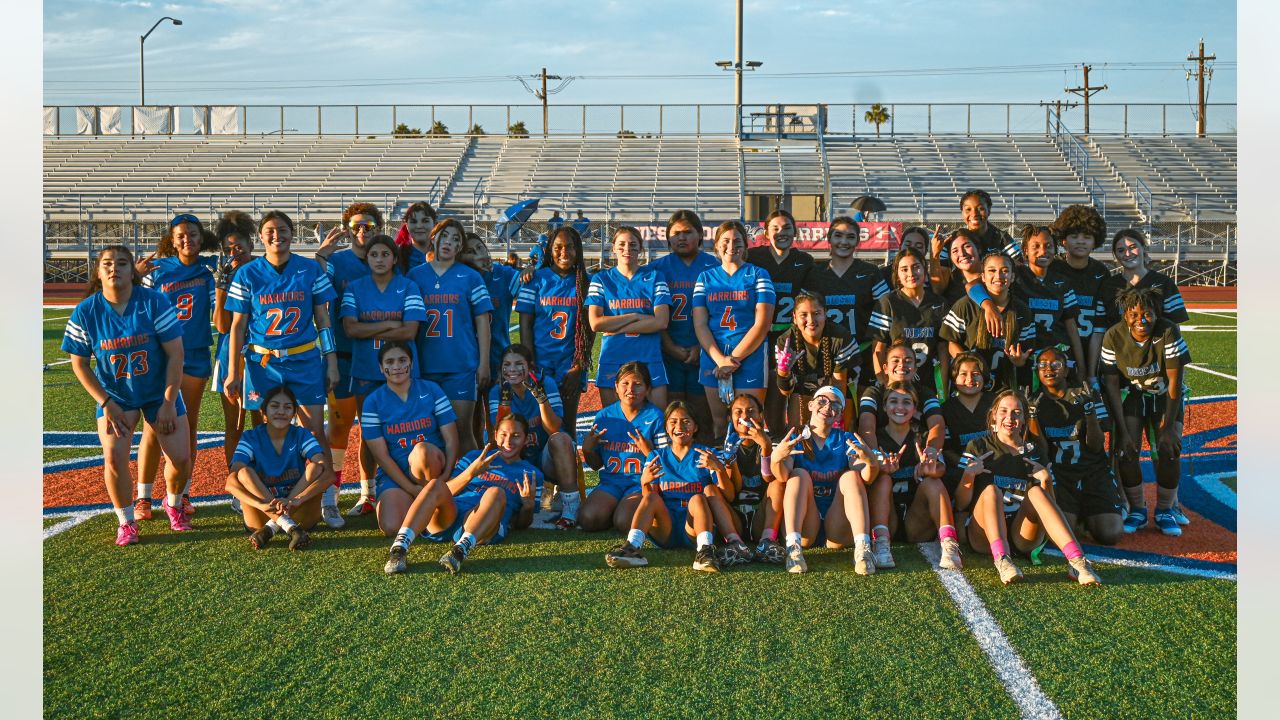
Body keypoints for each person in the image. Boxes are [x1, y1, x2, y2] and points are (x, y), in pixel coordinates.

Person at [63, 245, 193, 544]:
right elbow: (79, 364)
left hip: (157, 391)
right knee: (114, 457)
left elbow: (176, 355)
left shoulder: (153, 302)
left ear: (131, 271)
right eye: (107, 263)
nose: (114, 268)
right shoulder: (87, 310)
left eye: (122, 263)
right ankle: (126, 521)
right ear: (98, 271)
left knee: (181, 457)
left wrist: (168, 402)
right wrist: (106, 403)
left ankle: (172, 503)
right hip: (116, 396)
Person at [223, 210, 342, 527]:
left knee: (315, 430)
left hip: (303, 359)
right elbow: (237, 327)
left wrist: (330, 361)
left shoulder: (310, 269)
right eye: (270, 231)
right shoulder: (247, 274)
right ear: (261, 237)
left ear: (293, 234)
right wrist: (233, 372)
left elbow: (323, 320)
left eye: (283, 229)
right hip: (264, 362)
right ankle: (272, 498)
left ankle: (327, 498)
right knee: (272, 430)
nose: (277, 235)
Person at [957, 390, 1102, 586]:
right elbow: (960, 503)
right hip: (984, 536)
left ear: (1024, 418)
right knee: (991, 491)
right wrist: (969, 475)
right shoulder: (977, 447)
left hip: (1022, 535)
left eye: (1017, 412)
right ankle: (1003, 560)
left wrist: (1046, 481)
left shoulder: (1035, 451)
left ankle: (1078, 562)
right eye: (1004, 411)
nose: (1010, 417)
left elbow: (1047, 506)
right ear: (993, 414)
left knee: (1035, 491)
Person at [135, 213, 218, 519]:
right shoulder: (156, 270)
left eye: (193, 235)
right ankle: (143, 495)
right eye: (181, 235)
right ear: (172, 239)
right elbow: (134, 303)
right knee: (154, 427)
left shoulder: (209, 271)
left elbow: (218, 312)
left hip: (194, 353)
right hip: (159, 357)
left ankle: (181, 493)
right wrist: (134, 275)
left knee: (188, 427)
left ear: (201, 237)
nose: (188, 240)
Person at [338, 234, 426, 515]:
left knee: (411, 427)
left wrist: (371, 326)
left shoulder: (408, 286)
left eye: (384, 254)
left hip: (402, 369)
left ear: (393, 258)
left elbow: (410, 330)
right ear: (367, 258)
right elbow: (351, 329)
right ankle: (368, 493)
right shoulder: (354, 288)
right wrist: (389, 323)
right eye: (373, 254)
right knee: (369, 433)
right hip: (366, 368)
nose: (379, 259)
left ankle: (412, 484)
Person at [386, 418, 541, 575]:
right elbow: (447, 490)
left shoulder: (532, 474)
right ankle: (399, 549)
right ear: (495, 434)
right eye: (503, 434)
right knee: (435, 484)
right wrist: (471, 473)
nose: (508, 441)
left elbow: (522, 524)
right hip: (450, 515)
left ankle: (459, 551)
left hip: (484, 526)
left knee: (496, 492)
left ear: (526, 439)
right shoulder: (476, 457)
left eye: (515, 435)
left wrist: (528, 506)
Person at [604, 402, 737, 572]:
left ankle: (705, 550)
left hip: (694, 526)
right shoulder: (656, 456)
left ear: (695, 426)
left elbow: (729, 497)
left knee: (697, 498)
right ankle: (632, 547)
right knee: (651, 497)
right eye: (673, 422)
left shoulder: (706, 454)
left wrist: (719, 469)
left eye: (686, 421)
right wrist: (645, 482)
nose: (679, 426)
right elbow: (650, 498)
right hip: (665, 527)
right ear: (666, 427)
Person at [1100, 287, 1191, 537]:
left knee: (1168, 450)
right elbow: (1111, 385)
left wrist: (1169, 427)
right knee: (1126, 451)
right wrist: (1123, 433)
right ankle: (1138, 509)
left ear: (1156, 313)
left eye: (1147, 314)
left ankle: (1164, 510)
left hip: (1165, 397)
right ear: (1125, 315)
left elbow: (1174, 381)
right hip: (1132, 397)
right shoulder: (1113, 336)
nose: (1141, 320)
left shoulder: (1168, 330)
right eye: (1134, 314)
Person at [768, 386, 882, 574]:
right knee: (798, 475)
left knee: (851, 477)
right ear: (811, 405)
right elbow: (782, 476)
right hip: (806, 524)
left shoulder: (846, 439)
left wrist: (872, 463)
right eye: (822, 401)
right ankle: (793, 549)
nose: (828, 407)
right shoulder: (796, 438)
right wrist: (776, 459)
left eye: (835, 404)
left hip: (836, 526)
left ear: (839, 416)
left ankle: (863, 549)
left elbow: (866, 478)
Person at [316, 202, 382, 521]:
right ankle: (330, 494)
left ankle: (369, 494)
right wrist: (321, 255)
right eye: (356, 225)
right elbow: (317, 305)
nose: (362, 231)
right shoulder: (337, 262)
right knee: (340, 426)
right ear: (346, 228)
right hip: (342, 354)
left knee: (371, 428)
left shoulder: (386, 260)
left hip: (377, 357)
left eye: (368, 226)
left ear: (378, 229)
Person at [406, 218, 494, 454]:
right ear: (434, 238)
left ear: (459, 249)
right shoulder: (415, 276)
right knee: (430, 431)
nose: (449, 242)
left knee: (462, 430)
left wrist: (483, 363)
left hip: (461, 365)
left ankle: (471, 488)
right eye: (444, 236)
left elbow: (483, 322)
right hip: (425, 366)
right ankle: (435, 486)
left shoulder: (470, 277)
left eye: (456, 240)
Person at [361, 341, 459, 537]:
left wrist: (446, 478)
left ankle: (435, 502)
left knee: (422, 451)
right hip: (397, 473)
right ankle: (423, 506)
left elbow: (451, 439)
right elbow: (382, 457)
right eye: (390, 361)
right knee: (391, 527)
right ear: (381, 367)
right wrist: (411, 488)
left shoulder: (431, 390)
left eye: (402, 360)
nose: (396, 366)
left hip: (433, 466)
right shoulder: (372, 402)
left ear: (411, 364)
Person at [1028, 346, 1123, 545]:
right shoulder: (1036, 400)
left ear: (1067, 369)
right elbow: (1041, 450)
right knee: (1061, 535)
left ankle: (1089, 513)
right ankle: (1079, 515)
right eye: (1043, 365)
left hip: (1092, 470)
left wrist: (1089, 412)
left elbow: (1096, 446)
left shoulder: (1086, 394)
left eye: (1056, 364)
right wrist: (1033, 417)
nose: (1049, 369)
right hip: (1060, 475)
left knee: (1110, 535)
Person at [692, 220, 776, 438]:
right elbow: (700, 323)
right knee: (719, 423)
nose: (731, 245)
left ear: (745, 245)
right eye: (725, 241)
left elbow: (762, 323)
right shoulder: (705, 278)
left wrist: (733, 360)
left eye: (737, 241)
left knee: (749, 424)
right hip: (714, 355)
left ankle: (753, 472)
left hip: (750, 356)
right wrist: (721, 360)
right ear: (717, 245)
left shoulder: (759, 275)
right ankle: (724, 471)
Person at [869, 381, 963, 570]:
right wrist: (879, 469)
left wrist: (931, 469)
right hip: (887, 518)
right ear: (885, 406)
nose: (900, 407)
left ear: (915, 408)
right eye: (894, 401)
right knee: (883, 480)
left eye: (907, 402)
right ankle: (880, 544)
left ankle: (949, 544)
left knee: (933, 483)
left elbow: (941, 469)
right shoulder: (875, 439)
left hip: (917, 519)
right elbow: (864, 477)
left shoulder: (923, 437)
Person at [643, 210, 719, 443]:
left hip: (705, 352)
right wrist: (670, 347)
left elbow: (720, 312)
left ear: (700, 236)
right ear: (668, 238)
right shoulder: (655, 269)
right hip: (667, 351)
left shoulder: (714, 266)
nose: (682, 238)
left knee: (702, 416)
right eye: (676, 233)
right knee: (674, 416)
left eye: (688, 232)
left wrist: (701, 345)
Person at [224, 385, 330, 551]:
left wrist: (296, 499)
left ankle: (271, 528)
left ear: (294, 413)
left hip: (298, 510)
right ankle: (291, 528)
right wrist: (262, 505)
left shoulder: (301, 435)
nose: (281, 411)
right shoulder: (251, 437)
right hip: (262, 513)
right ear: (263, 412)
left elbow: (327, 474)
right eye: (274, 406)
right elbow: (231, 481)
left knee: (315, 468)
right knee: (243, 473)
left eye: (287, 407)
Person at [488, 344, 583, 528]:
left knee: (561, 439)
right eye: (506, 365)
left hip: (544, 457)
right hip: (516, 460)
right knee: (501, 444)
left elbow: (553, 428)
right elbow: (499, 436)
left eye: (518, 364)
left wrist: (540, 398)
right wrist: (505, 401)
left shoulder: (545, 383)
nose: (512, 369)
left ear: (530, 366)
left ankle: (570, 507)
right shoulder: (497, 391)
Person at [516, 225, 595, 435]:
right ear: (550, 249)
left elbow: (590, 330)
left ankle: (568, 468)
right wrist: (529, 361)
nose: (564, 252)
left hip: (570, 364)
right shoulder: (535, 280)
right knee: (536, 426)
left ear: (578, 250)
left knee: (567, 427)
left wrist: (579, 366)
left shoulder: (585, 283)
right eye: (558, 247)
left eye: (570, 247)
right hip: (540, 362)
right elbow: (525, 324)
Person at [801, 216, 890, 390]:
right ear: (829, 239)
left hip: (862, 353)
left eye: (850, 237)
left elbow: (887, 312)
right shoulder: (815, 274)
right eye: (838, 236)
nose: (844, 242)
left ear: (858, 241)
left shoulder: (870, 272)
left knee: (862, 411)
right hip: (826, 353)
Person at [586, 226, 672, 408]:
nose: (627, 249)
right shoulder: (601, 279)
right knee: (614, 424)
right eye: (622, 244)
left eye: (633, 245)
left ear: (641, 249)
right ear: (614, 248)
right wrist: (636, 316)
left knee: (656, 422)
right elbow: (595, 323)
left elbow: (661, 321)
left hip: (649, 355)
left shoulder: (655, 277)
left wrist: (615, 326)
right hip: (613, 356)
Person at [578, 361, 668, 532]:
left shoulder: (656, 417)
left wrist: (649, 451)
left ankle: (628, 510)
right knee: (588, 519)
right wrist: (588, 449)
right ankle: (614, 509)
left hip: (641, 483)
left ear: (648, 389)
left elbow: (666, 465)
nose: (630, 389)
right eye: (625, 383)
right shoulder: (605, 416)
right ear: (616, 387)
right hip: (611, 482)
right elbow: (596, 465)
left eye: (638, 384)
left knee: (624, 522)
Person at [746, 209, 815, 432]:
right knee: (755, 391)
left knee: (782, 391)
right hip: (756, 334)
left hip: (788, 335)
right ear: (765, 232)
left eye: (787, 228)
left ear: (795, 232)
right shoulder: (754, 257)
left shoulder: (804, 261)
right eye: (775, 228)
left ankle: (778, 436)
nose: (781, 232)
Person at [939, 253, 1037, 393]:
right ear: (983, 277)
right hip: (969, 386)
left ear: (1013, 277)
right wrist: (967, 363)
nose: (998, 276)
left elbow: (1026, 354)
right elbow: (950, 342)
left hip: (1004, 389)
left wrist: (1019, 360)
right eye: (992, 270)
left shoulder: (1022, 311)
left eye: (1005, 271)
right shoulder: (965, 305)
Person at [212, 210, 256, 511]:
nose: (234, 251)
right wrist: (220, 285)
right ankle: (237, 484)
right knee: (234, 425)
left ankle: (266, 479)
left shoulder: (263, 269)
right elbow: (222, 325)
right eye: (228, 247)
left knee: (264, 421)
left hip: (261, 355)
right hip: (230, 354)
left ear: (250, 243)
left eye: (238, 244)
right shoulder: (225, 274)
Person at [868, 247, 950, 394]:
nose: (911, 273)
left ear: (925, 270)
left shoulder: (939, 303)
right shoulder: (888, 302)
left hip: (929, 385)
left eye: (916, 267)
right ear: (897, 275)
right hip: (896, 385)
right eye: (904, 269)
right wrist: (884, 382)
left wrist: (942, 389)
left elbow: (943, 350)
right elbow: (878, 349)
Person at [774, 290, 858, 429]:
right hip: (801, 391)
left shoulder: (841, 338)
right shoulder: (785, 342)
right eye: (804, 315)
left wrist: (833, 412)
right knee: (798, 428)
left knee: (839, 419)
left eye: (816, 313)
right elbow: (786, 391)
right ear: (794, 317)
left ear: (825, 314)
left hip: (835, 388)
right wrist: (783, 372)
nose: (811, 320)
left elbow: (839, 386)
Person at [1013, 225, 1087, 382]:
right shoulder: (1016, 278)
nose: (1043, 251)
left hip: (1057, 356)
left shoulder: (1062, 283)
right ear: (1025, 250)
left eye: (1048, 246)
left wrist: (1081, 366)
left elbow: (1071, 327)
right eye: (1036, 246)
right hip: (1027, 357)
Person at [718, 393, 786, 563]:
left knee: (779, 482)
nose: (745, 416)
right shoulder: (719, 445)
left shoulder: (775, 441)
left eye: (750, 411)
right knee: (710, 490)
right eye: (738, 412)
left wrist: (765, 446)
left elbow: (769, 479)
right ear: (729, 417)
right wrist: (729, 460)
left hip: (762, 515)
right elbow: (731, 493)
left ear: (761, 415)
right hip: (734, 516)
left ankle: (767, 541)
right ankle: (735, 543)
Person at [1047, 205, 1109, 384]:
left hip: (1091, 347)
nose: (1080, 241)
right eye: (1074, 236)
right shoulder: (1053, 269)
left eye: (1087, 237)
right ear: (1063, 240)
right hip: (1059, 350)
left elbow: (1100, 323)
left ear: (1095, 240)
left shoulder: (1101, 272)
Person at [1098, 228, 1190, 331]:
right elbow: (1100, 330)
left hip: (1156, 346)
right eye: (1121, 250)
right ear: (1115, 255)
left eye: (1132, 247)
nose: (1127, 254)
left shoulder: (1164, 283)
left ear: (1144, 248)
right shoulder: (1108, 286)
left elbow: (1174, 327)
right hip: (1118, 347)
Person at [462, 233, 521, 385]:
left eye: (480, 247)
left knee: (499, 407)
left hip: (498, 359)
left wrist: (530, 272)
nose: (477, 253)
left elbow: (535, 291)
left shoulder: (503, 274)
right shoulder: (457, 279)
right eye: (470, 251)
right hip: (464, 360)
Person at [938, 190, 1021, 265]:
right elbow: (941, 273)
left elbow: (1020, 267)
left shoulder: (1003, 239)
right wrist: (934, 254)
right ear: (962, 212)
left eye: (980, 208)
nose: (974, 214)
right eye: (968, 209)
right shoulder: (953, 240)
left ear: (989, 210)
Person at [401, 201, 438, 269]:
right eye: (413, 221)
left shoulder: (445, 255)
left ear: (435, 224)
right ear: (406, 225)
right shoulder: (396, 256)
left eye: (425, 221)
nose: (419, 226)